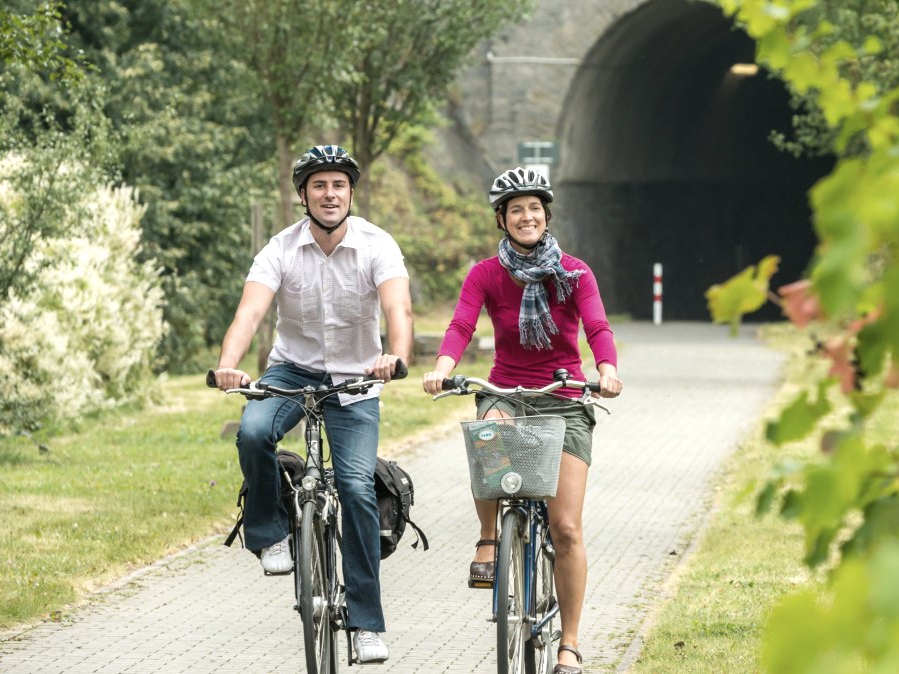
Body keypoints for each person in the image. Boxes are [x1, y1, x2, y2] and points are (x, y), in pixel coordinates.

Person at [210, 144, 412, 664]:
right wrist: (230, 365)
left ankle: (366, 624)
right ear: (303, 195)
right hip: (291, 371)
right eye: (319, 185)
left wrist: (396, 355)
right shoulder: (279, 248)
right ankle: (269, 534)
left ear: (350, 193)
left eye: (339, 185)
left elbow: (398, 307)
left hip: (357, 379)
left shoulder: (376, 245)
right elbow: (250, 313)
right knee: (253, 432)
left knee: (356, 489)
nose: (330, 194)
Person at [422, 167, 622, 674]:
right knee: (486, 430)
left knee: (567, 528)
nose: (526, 216)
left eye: (534, 208)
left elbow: (597, 325)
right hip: (508, 389)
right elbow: (462, 323)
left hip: (564, 393)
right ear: (502, 220)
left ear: (546, 215)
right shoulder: (485, 274)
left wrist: (607, 370)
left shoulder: (574, 272)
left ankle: (569, 645)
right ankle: (489, 538)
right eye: (516, 210)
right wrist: (443, 370)